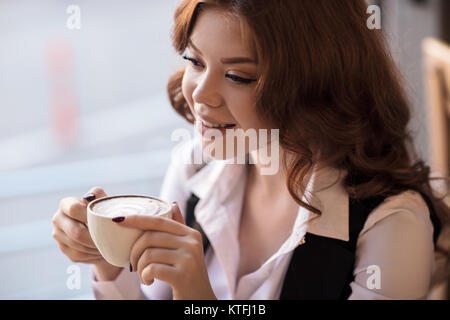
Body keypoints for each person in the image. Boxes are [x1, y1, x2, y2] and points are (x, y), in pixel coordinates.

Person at [52, 0, 450, 300]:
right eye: (194, 60)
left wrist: (199, 300)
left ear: (317, 82)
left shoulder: (391, 224)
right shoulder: (194, 167)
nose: (200, 94)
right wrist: (108, 260)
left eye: (238, 76)